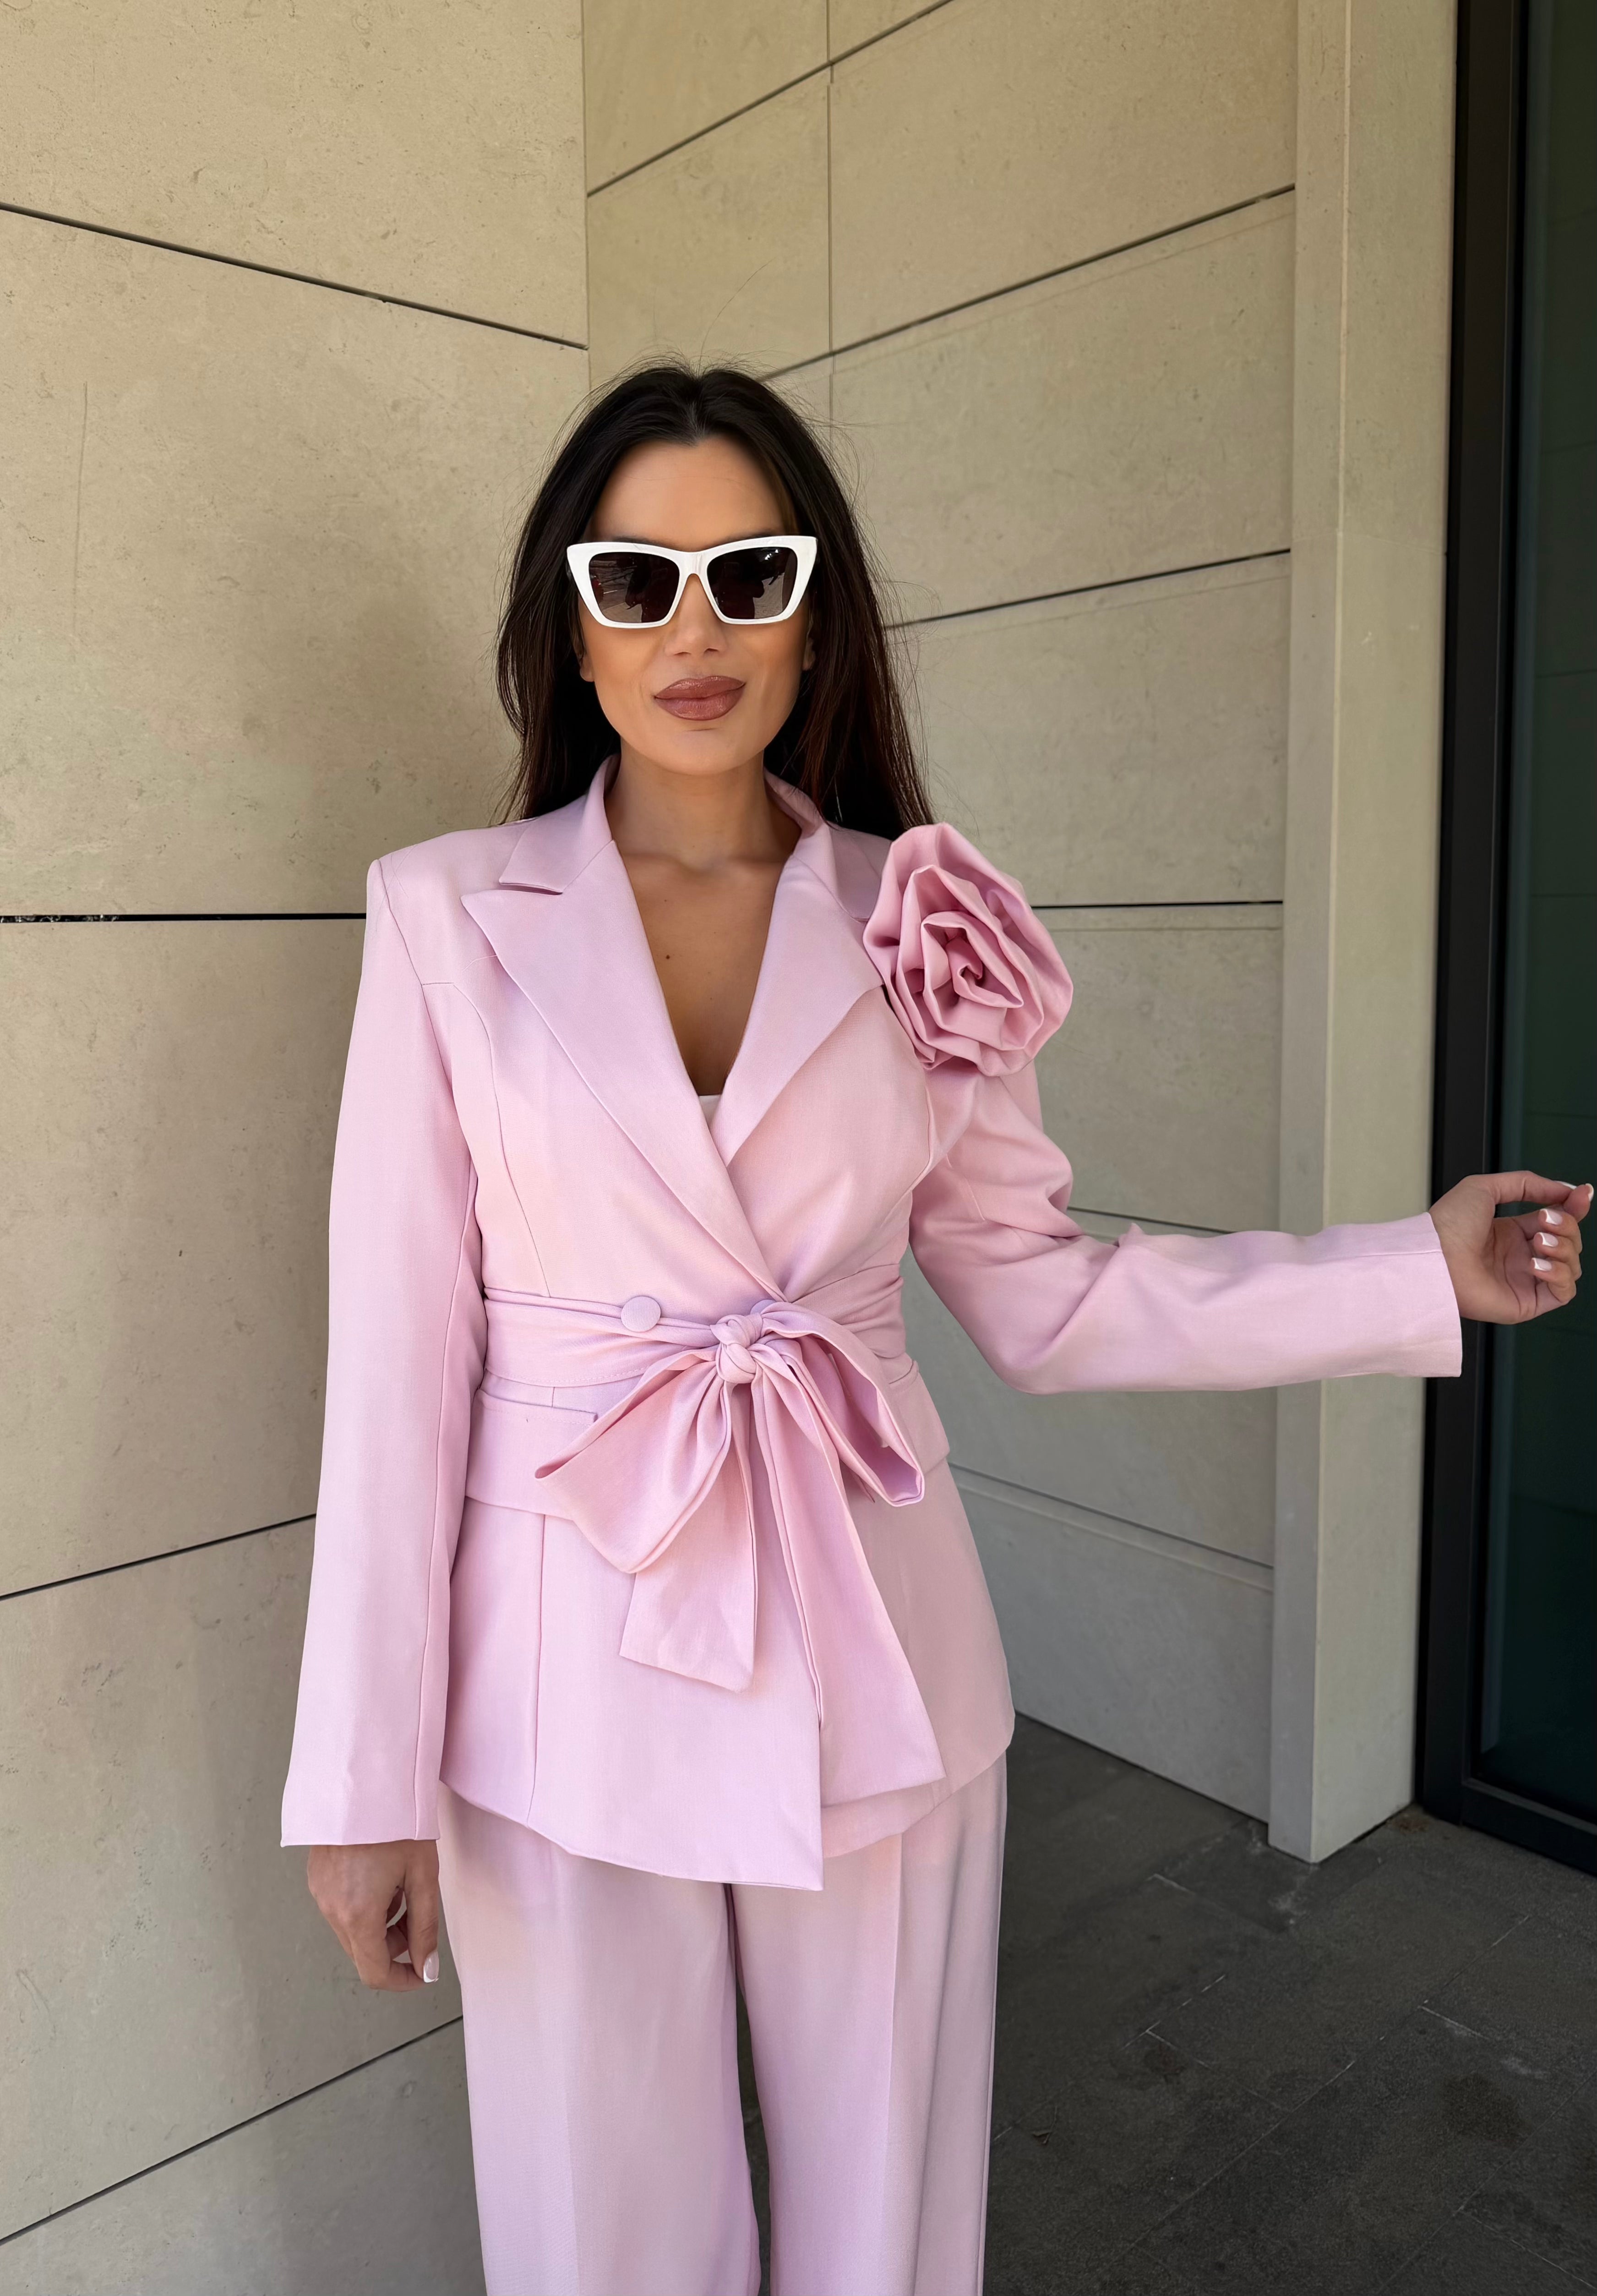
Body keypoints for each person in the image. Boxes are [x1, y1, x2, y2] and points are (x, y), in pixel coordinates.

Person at [279, 362, 1587, 2296]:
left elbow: (1045, 1297)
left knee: (883, 2234)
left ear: (818, 616)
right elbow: (396, 1378)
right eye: (637, 580)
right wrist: (362, 1783)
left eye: (752, 572)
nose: (696, 628)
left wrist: (1412, 1271)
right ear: (575, 623)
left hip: (874, 1653)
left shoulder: (919, 924)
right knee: (594, 2240)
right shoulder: (441, 918)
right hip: (557, 1673)